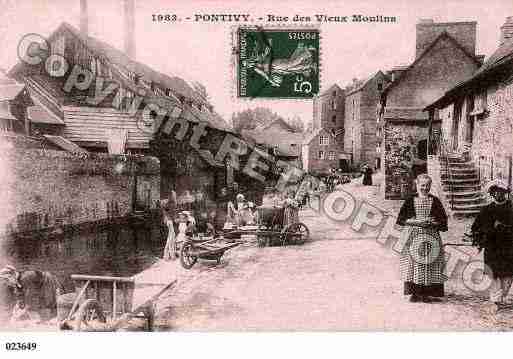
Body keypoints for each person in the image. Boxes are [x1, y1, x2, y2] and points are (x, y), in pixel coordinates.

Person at [396, 174, 448, 303]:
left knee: (430, 263)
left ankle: (426, 293)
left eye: (427, 185)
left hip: (431, 236)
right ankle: (414, 292)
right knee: (413, 264)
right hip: (413, 236)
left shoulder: (435, 200)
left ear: (430, 186)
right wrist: (417, 222)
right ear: (417, 185)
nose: (425, 188)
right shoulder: (410, 200)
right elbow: (401, 219)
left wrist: (433, 223)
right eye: (422, 185)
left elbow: (443, 221)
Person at [471, 180, 513, 310]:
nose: (499, 195)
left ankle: (502, 295)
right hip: (492, 247)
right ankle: (495, 299)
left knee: (508, 273)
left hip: (509, 247)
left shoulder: (511, 208)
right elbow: (476, 227)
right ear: (492, 194)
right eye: (496, 192)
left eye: (502, 192)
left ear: (505, 194)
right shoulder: (486, 210)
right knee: (493, 272)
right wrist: (479, 240)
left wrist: (504, 227)